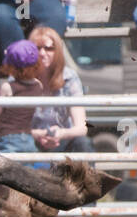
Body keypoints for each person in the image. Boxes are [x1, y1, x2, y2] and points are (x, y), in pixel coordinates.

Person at [27, 25, 93, 154]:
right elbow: (14, 129)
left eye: (49, 48)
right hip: (31, 141)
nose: (42, 53)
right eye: (37, 48)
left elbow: (81, 127)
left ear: (57, 51)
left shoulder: (69, 77)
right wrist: (39, 134)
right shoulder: (22, 78)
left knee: (83, 143)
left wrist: (60, 134)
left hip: (63, 140)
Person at [0, 40, 42, 155]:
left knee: (6, 169)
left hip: (8, 137)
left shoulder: (7, 87)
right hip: (28, 137)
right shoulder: (38, 85)